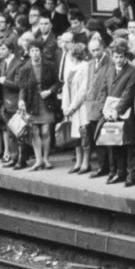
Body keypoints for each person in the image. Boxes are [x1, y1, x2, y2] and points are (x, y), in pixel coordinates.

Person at [103, 39, 135, 187]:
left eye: (121, 56)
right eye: (115, 56)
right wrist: (104, 109)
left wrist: (117, 110)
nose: (118, 60)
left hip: (126, 112)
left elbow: (128, 93)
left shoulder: (132, 70)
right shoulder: (110, 69)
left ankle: (132, 175)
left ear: (125, 56)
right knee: (113, 143)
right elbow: (105, 89)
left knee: (129, 144)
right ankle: (119, 172)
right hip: (109, 112)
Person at [17, 40, 59, 170]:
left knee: (46, 131)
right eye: (32, 51)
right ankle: (38, 159)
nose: (35, 53)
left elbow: (57, 83)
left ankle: (46, 158)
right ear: (28, 53)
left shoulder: (50, 65)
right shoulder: (25, 68)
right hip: (31, 102)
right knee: (34, 131)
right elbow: (22, 87)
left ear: (41, 52)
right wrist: (21, 100)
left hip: (46, 101)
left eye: (37, 50)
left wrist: (50, 91)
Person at [84, 37, 114, 177]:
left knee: (108, 139)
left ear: (103, 48)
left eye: (97, 50)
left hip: (104, 104)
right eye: (92, 51)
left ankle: (110, 169)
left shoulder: (110, 62)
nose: (95, 53)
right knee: (96, 138)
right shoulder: (90, 64)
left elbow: (110, 85)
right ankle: (102, 167)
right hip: (91, 104)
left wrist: (106, 105)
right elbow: (90, 84)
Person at [62, 43, 90, 174]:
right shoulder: (71, 68)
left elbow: (83, 91)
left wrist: (72, 107)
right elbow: (65, 88)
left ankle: (86, 162)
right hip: (71, 108)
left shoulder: (85, 67)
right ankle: (78, 162)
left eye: (70, 53)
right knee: (75, 137)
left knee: (84, 134)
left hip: (81, 107)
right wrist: (65, 107)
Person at [0, 40, 21, 166]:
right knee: (10, 132)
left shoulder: (17, 63)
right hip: (6, 103)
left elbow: (18, 84)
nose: (1, 51)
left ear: (11, 49)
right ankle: (13, 157)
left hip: (14, 102)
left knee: (18, 132)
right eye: (0, 49)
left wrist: (4, 81)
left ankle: (20, 159)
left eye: (4, 49)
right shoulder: (3, 63)